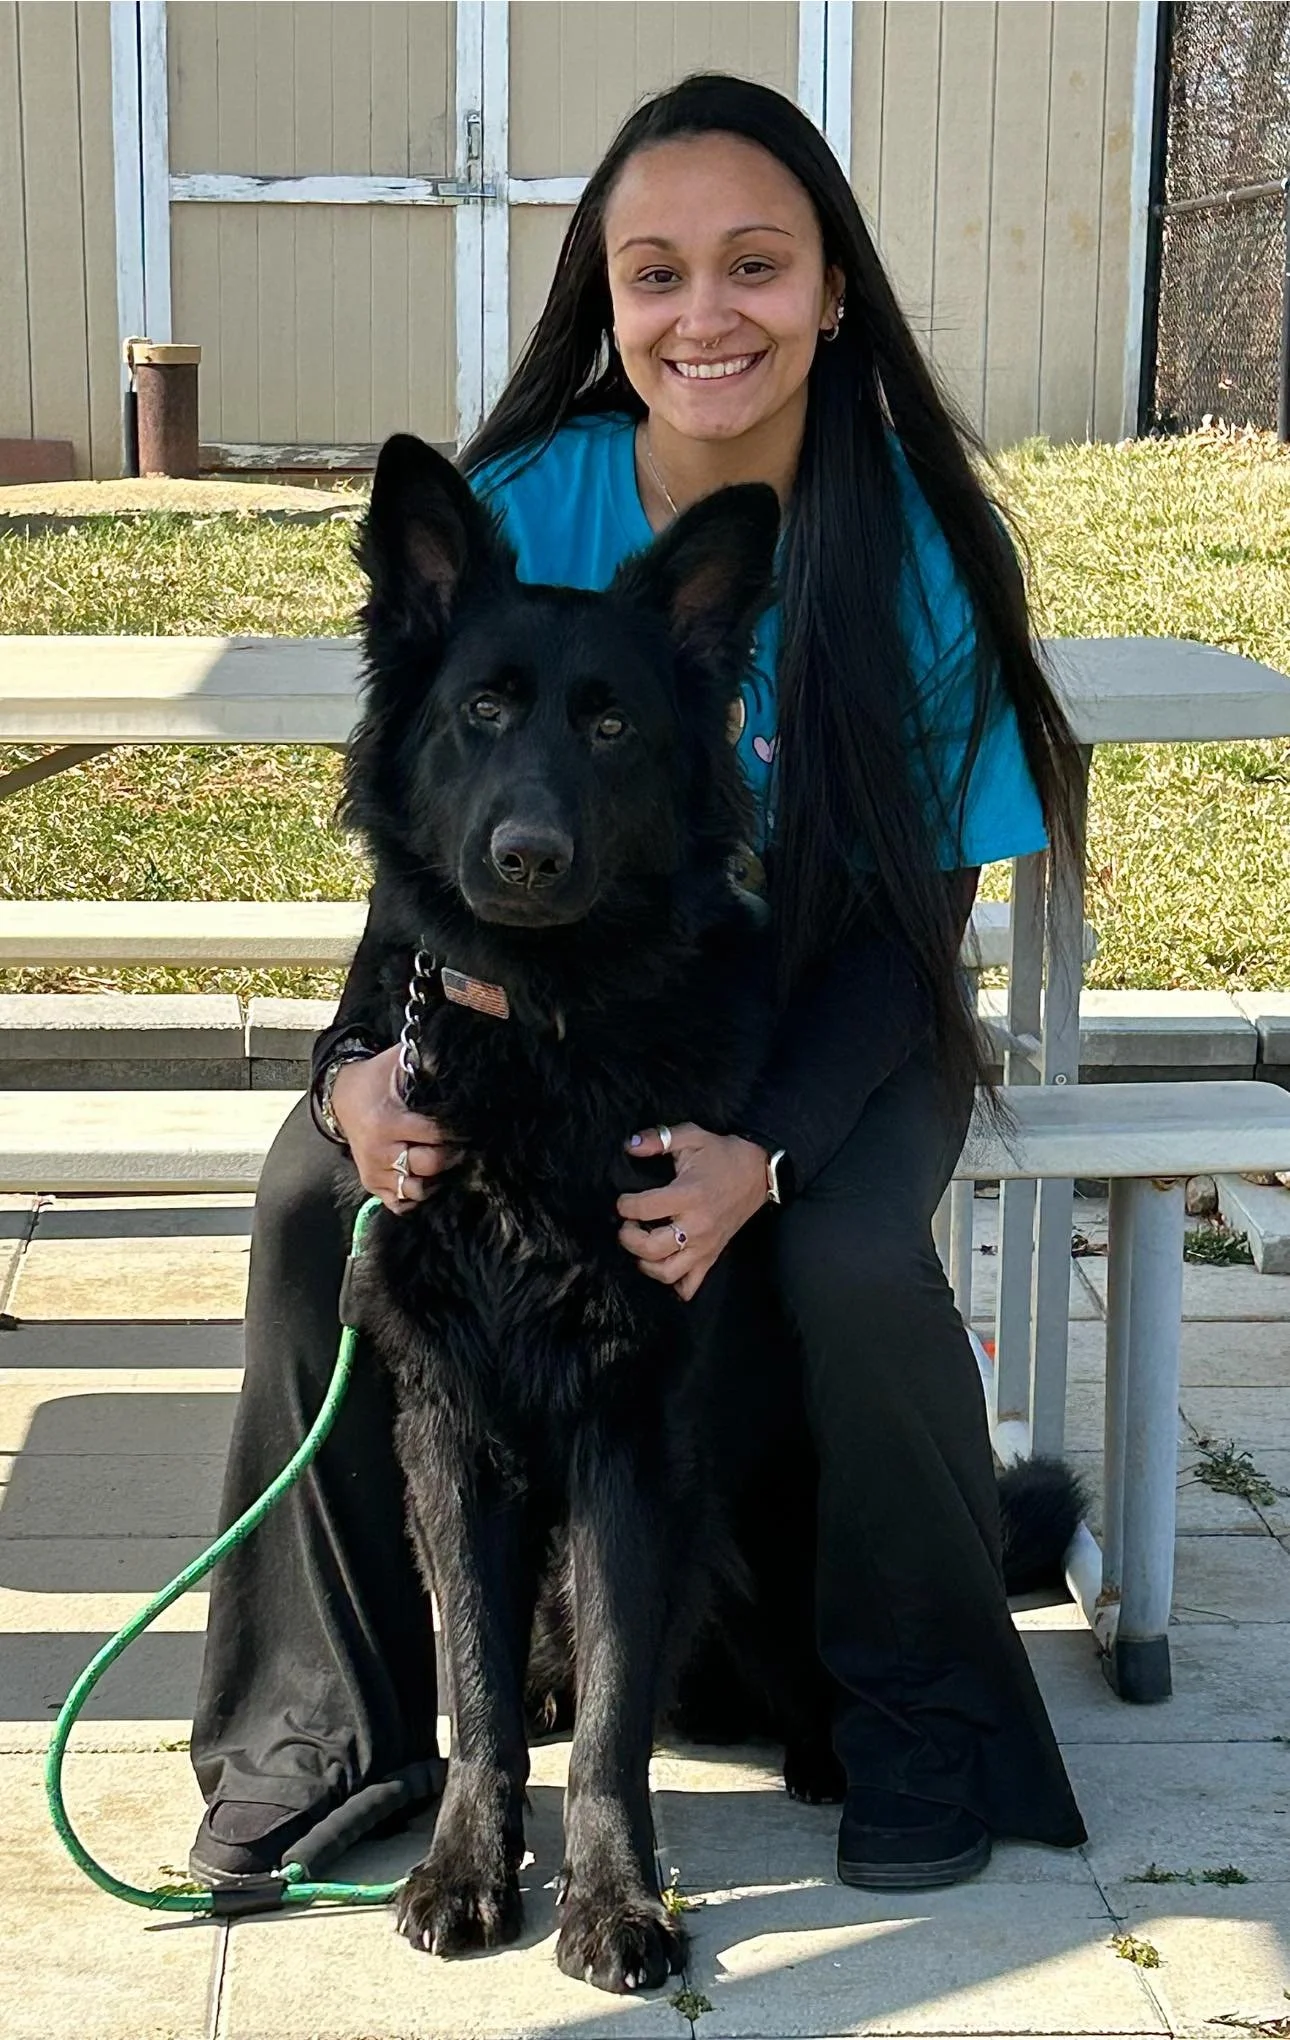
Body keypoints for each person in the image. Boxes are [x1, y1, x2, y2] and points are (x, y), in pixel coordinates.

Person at [190, 72, 1088, 1898]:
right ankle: (321, 1733)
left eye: (754, 267)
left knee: (829, 1252)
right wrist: (352, 1066)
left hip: (842, 1005)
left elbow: (912, 930)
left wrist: (758, 1147)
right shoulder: (533, 494)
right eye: (653, 272)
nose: (705, 316)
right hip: (559, 996)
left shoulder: (905, 545)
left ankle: (914, 1719)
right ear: (604, 297)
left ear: (833, 289)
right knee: (316, 1199)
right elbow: (432, 821)